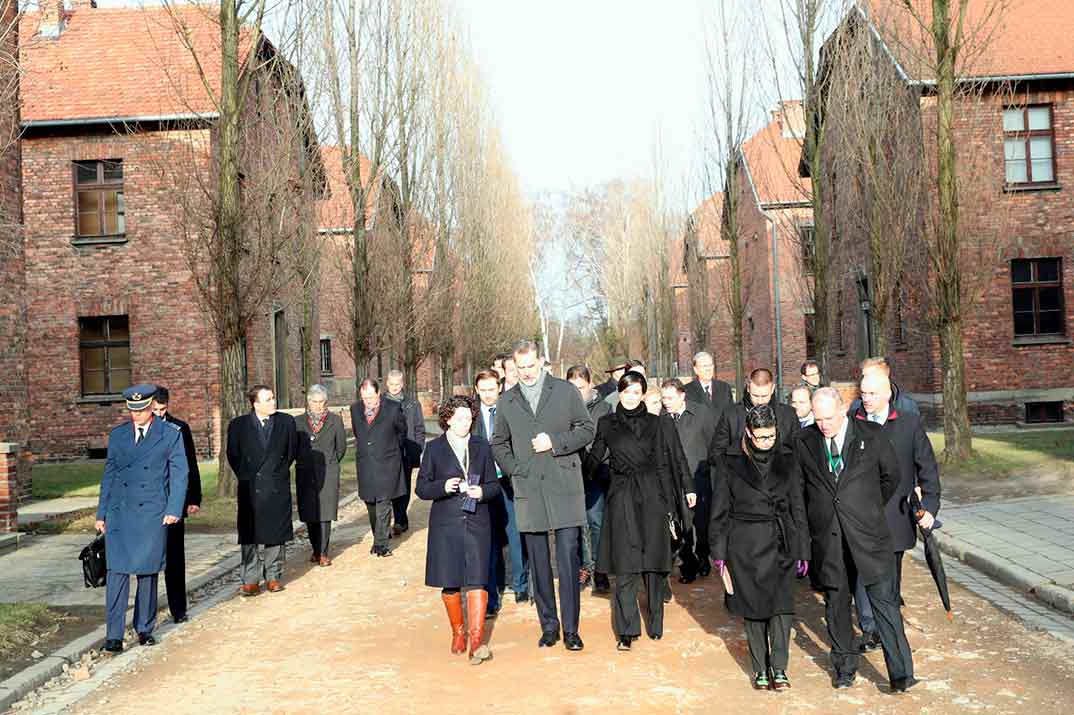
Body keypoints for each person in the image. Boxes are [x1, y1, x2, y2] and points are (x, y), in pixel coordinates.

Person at [794, 387, 915, 692]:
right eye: (818, 418)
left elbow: (892, 477)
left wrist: (867, 508)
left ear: (843, 410)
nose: (823, 424)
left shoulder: (871, 435)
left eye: (829, 418)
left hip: (869, 535)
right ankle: (844, 668)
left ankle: (901, 673)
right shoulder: (804, 440)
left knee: (884, 604)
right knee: (836, 605)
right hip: (829, 539)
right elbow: (799, 490)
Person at [490, 339, 596, 651]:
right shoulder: (507, 401)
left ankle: (572, 630)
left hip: (565, 486)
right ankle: (549, 626)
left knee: (567, 558)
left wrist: (556, 442)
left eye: (531, 366)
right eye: (520, 368)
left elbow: (586, 429)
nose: (526, 373)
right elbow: (498, 443)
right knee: (538, 561)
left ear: (542, 363)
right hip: (529, 489)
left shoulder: (565, 391)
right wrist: (515, 470)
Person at [584, 372, 693, 650]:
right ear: (618, 393)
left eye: (635, 392)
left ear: (643, 394)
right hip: (621, 498)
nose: (630, 398)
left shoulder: (659, 423)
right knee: (625, 564)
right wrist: (572, 475)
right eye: (625, 392)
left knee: (654, 565)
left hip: (653, 496)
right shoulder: (607, 423)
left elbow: (675, 458)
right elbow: (594, 459)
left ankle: (656, 620)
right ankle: (626, 630)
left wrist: (685, 489)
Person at [709, 404, 809, 690]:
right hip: (745, 544)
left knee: (781, 607)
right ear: (750, 434)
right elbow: (720, 510)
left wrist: (803, 548)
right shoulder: (731, 462)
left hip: (782, 541)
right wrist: (719, 554)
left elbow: (797, 507)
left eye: (771, 436)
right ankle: (759, 668)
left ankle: (779, 668)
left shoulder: (789, 459)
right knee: (753, 608)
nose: (767, 442)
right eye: (762, 437)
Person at [851, 372, 941, 651]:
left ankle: (888, 624)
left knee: (890, 576)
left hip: (897, 516)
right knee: (863, 573)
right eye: (862, 394)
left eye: (872, 394)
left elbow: (927, 470)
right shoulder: (852, 425)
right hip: (861, 517)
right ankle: (869, 627)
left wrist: (928, 507)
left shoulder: (909, 425)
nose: (865, 399)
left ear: (888, 393)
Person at [96, 384, 188, 653]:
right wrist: (101, 513)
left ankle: (144, 628)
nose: (136, 415)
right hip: (120, 512)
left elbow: (179, 474)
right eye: (132, 410)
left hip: (152, 511)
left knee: (147, 571)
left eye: (141, 409)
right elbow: (109, 475)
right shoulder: (119, 436)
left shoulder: (170, 434)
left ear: (151, 407)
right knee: (117, 573)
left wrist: (173, 509)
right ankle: (113, 634)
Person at [415, 396, 501, 666]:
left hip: (477, 520)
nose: (466, 423)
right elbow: (422, 488)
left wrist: (483, 491)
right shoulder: (434, 448)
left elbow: (494, 485)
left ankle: (477, 642)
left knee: (477, 578)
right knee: (450, 581)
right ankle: (458, 632)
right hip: (446, 523)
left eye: (469, 418)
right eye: (460, 418)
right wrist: (444, 486)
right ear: (448, 419)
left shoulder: (482, 446)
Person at [227, 385, 298, 595]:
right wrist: (248, 476)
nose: (273, 402)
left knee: (275, 533)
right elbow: (233, 455)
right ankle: (250, 579)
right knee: (250, 534)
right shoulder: (238, 425)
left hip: (276, 486)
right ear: (255, 404)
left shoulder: (286, 422)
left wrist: (277, 473)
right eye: (267, 400)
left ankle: (273, 576)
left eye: (273, 398)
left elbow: (291, 452)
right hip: (251, 488)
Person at [150, 386, 202, 624]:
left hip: (174, 500)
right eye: (155, 410)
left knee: (174, 558)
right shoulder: (142, 428)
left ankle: (178, 609)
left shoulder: (179, 428)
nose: (159, 414)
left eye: (162, 409)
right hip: (150, 503)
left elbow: (190, 463)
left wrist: (193, 498)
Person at [661, 378, 716, 582]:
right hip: (674, 481)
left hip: (699, 479)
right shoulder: (662, 417)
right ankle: (688, 564)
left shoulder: (701, 413)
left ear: (682, 395)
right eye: (663, 398)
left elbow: (713, 444)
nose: (665, 402)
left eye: (670, 398)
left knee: (700, 523)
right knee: (682, 524)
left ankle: (703, 557)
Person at [350, 378, 409, 557]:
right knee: (370, 503)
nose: (367, 401)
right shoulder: (354, 409)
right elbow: (357, 433)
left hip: (387, 463)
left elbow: (402, 431)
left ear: (378, 394)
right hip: (366, 464)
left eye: (371, 397)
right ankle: (379, 536)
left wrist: (390, 449)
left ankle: (381, 544)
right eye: (364, 397)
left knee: (384, 502)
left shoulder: (392, 408)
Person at [566, 365, 612, 593]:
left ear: (590, 384)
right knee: (574, 524)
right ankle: (582, 568)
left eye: (581, 388)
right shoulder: (562, 408)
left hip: (596, 473)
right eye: (572, 388)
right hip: (569, 475)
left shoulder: (604, 408)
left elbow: (605, 442)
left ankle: (600, 569)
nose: (577, 393)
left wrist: (591, 466)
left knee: (595, 521)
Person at [294, 384, 348, 567]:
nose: (317, 406)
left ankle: (324, 552)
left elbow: (341, 447)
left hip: (328, 472)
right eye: (314, 402)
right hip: (305, 473)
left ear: (326, 402)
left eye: (321, 402)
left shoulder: (335, 420)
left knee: (325, 513)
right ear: (308, 402)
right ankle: (315, 549)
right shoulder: (297, 422)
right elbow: (294, 448)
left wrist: (330, 463)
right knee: (310, 513)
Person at [472, 369, 510, 616]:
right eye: (482, 390)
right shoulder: (471, 416)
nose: (487, 395)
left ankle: (519, 582)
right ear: (477, 390)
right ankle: (491, 596)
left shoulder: (509, 411)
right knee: (487, 541)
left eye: (491, 389)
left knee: (512, 535)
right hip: (482, 484)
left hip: (508, 481)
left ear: (499, 387)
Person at [710, 369, 800, 467]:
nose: (760, 401)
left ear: (773, 388)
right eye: (755, 395)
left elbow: (798, 452)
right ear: (748, 387)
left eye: (764, 396)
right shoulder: (731, 415)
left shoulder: (788, 415)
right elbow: (716, 454)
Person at [385, 370, 426, 537]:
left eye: (397, 384)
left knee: (405, 486)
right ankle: (387, 523)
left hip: (407, 452)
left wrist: (417, 448)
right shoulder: (381, 403)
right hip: (387, 453)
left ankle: (401, 520)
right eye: (392, 384)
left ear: (402, 384)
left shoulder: (412, 404)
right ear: (387, 384)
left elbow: (419, 428)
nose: (394, 387)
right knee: (388, 488)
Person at [849, 357, 919, 416]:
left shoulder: (907, 407)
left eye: (869, 376)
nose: (864, 380)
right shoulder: (856, 407)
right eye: (863, 376)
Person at [683, 351, 734, 415]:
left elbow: (731, 415)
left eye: (710, 365)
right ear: (696, 370)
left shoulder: (725, 388)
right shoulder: (686, 391)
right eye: (704, 366)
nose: (708, 369)